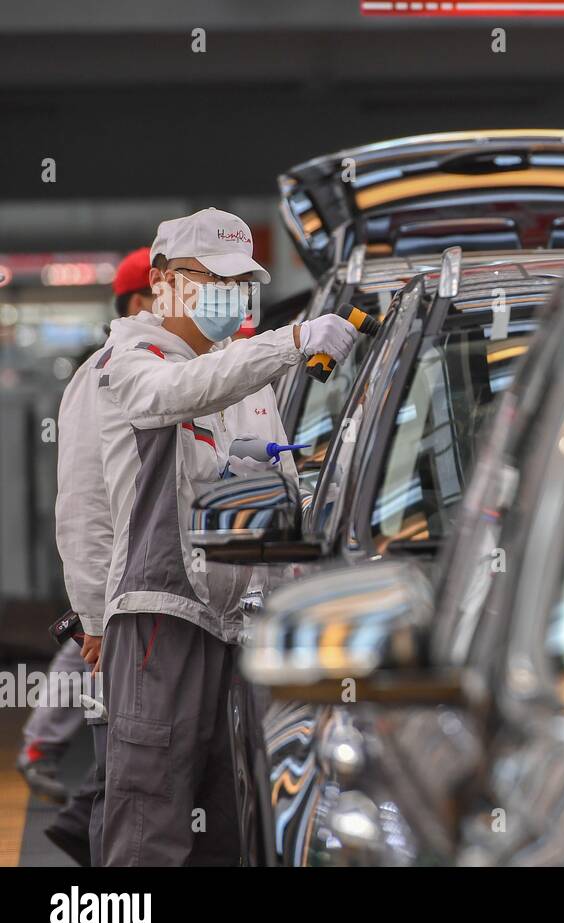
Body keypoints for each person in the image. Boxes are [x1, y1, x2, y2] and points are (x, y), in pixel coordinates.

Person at [96, 208, 358, 866]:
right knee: (150, 813)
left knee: (230, 820)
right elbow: (164, 400)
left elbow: (267, 481)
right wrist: (86, 613)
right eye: (211, 277)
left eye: (240, 280)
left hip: (237, 627)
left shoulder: (237, 369)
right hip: (161, 620)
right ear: (161, 280)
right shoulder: (133, 357)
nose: (228, 293)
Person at [17, 247, 155, 868]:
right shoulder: (108, 373)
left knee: (131, 768)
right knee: (121, 756)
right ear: (136, 301)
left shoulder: (166, 366)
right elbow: (80, 509)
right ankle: (46, 754)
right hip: (120, 591)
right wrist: (93, 612)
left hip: (150, 592)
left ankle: (76, 816)